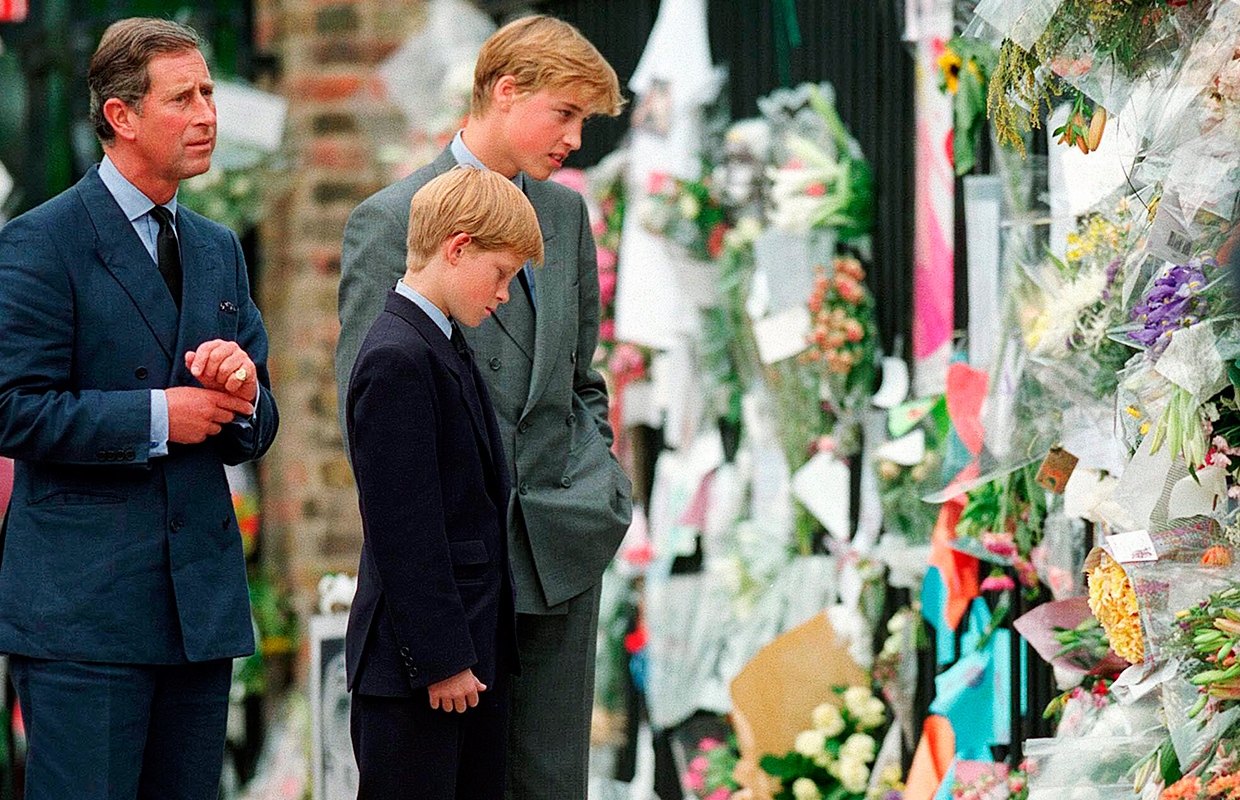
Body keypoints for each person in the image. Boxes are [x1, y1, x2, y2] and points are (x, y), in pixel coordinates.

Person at [336, 15, 633, 798]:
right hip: (462, 574)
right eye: (564, 114)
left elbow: (580, 378)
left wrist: (598, 487)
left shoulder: (565, 216)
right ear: (506, 93)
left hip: (561, 549)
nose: (575, 139)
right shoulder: (394, 220)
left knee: (552, 783)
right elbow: (370, 416)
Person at [0, 17, 278, 800]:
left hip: (197, 613)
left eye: (210, 94)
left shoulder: (217, 246)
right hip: (83, 619)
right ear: (121, 117)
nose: (207, 115)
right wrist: (159, 417)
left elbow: (257, 421)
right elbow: (13, 409)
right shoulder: (39, 243)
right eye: (182, 98)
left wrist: (244, 391)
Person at [345, 166, 542, 800]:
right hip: (422, 675)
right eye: (502, 273)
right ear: (457, 248)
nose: (506, 294)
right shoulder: (397, 356)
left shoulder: (438, 341)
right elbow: (406, 528)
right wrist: (443, 658)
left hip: (459, 660)